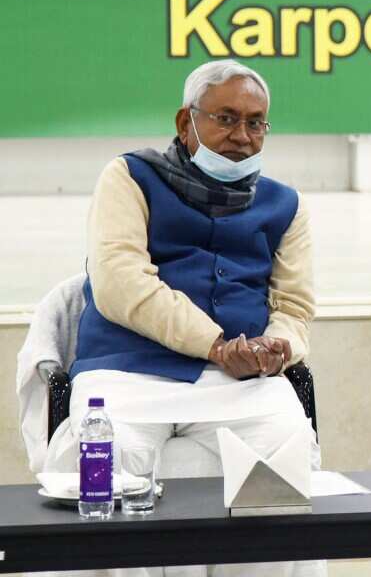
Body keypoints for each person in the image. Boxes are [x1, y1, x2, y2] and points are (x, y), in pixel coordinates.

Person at [46, 59, 322, 577]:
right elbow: (120, 281)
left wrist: (276, 348)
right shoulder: (129, 176)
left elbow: (294, 308)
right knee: (109, 481)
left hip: (238, 384)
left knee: (283, 460)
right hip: (124, 375)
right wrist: (217, 344)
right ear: (185, 122)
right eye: (225, 118)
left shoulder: (287, 205)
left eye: (256, 122)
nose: (242, 135)